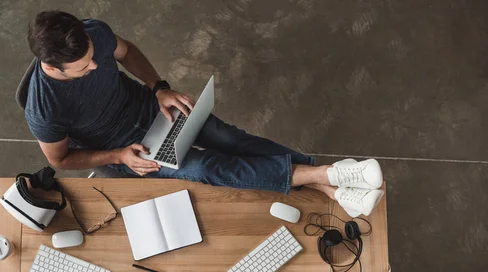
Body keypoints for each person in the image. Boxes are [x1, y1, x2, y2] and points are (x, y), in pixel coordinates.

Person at [24, 11, 384, 217]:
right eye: (85, 67)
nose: (96, 65)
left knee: (229, 139)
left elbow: (127, 51)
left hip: (150, 106)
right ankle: (329, 175)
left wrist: (158, 87)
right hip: (126, 149)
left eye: (92, 55)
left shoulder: (92, 34)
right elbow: (62, 159)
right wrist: (118, 156)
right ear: (53, 69)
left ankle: (331, 189)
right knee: (209, 167)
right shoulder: (45, 108)